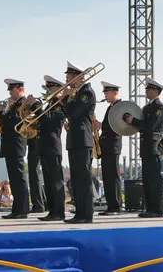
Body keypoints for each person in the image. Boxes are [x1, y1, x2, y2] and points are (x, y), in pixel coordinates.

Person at [123, 77, 163, 217]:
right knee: (147, 180)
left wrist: (133, 121)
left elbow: (149, 126)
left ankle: (157, 209)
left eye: (148, 89)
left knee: (154, 180)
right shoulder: (147, 107)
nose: (146, 91)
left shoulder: (159, 108)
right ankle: (150, 208)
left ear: (155, 91)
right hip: (146, 146)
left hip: (153, 146)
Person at [26, 75, 67, 221]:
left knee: (56, 181)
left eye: (50, 88)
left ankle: (59, 211)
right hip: (44, 146)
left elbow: (47, 121)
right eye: (47, 88)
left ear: (58, 89)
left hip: (53, 145)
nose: (48, 91)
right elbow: (41, 122)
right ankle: (52, 210)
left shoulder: (59, 105)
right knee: (48, 181)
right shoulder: (50, 105)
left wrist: (34, 106)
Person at [61, 61, 96, 224]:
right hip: (74, 139)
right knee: (76, 178)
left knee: (83, 178)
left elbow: (74, 112)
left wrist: (66, 97)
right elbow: (69, 112)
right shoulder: (76, 94)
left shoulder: (86, 92)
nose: (68, 79)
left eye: (69, 76)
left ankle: (86, 214)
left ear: (79, 77)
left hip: (83, 139)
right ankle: (79, 213)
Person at [0, 78, 30, 219]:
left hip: (17, 144)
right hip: (10, 145)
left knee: (19, 178)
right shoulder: (14, 104)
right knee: (14, 178)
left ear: (20, 90)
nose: (10, 93)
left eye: (12, 90)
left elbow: (11, 121)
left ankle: (22, 209)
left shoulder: (23, 104)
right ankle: (17, 209)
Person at [96, 81, 122, 215]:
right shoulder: (110, 107)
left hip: (113, 146)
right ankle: (111, 205)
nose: (105, 96)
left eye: (107, 93)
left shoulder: (119, 107)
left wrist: (100, 125)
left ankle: (116, 206)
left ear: (114, 93)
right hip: (106, 146)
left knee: (113, 177)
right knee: (107, 177)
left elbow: (117, 126)